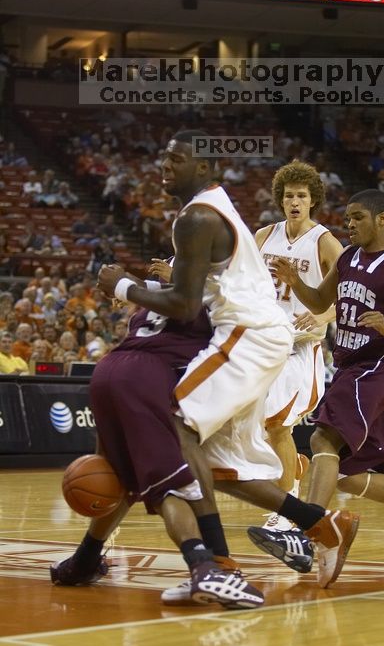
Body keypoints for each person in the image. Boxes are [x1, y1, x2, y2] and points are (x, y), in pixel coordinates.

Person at [97, 130, 360, 592]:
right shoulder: (249, 227)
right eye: (163, 155)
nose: (163, 164)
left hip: (258, 337)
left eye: (174, 158)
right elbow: (216, 288)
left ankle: (216, 563)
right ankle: (320, 524)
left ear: (202, 167)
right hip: (252, 332)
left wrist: (123, 286)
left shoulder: (204, 215)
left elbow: (188, 303)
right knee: (216, 463)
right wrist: (158, 289)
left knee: (175, 422)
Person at [247, 189, 384, 571]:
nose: (349, 225)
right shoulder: (347, 258)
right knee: (348, 476)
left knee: (322, 438)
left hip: (378, 369)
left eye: (357, 217)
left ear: (381, 219)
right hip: (351, 369)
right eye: (347, 218)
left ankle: (306, 532)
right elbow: (318, 302)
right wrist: (292, 281)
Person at [50, 301, 265, 610]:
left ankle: (84, 560)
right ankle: (204, 568)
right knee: (170, 486)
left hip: (108, 370)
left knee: (120, 476)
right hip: (144, 378)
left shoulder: (159, 293)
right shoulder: (213, 292)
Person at [255, 160, 343, 530]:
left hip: (300, 349)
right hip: (262, 343)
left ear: (312, 201)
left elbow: (354, 292)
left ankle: (287, 507)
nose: (294, 201)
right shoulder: (263, 236)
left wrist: (324, 317)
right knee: (257, 428)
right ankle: (291, 471)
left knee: (277, 426)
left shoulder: (324, 241)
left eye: (301, 196)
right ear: (281, 199)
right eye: (289, 195)